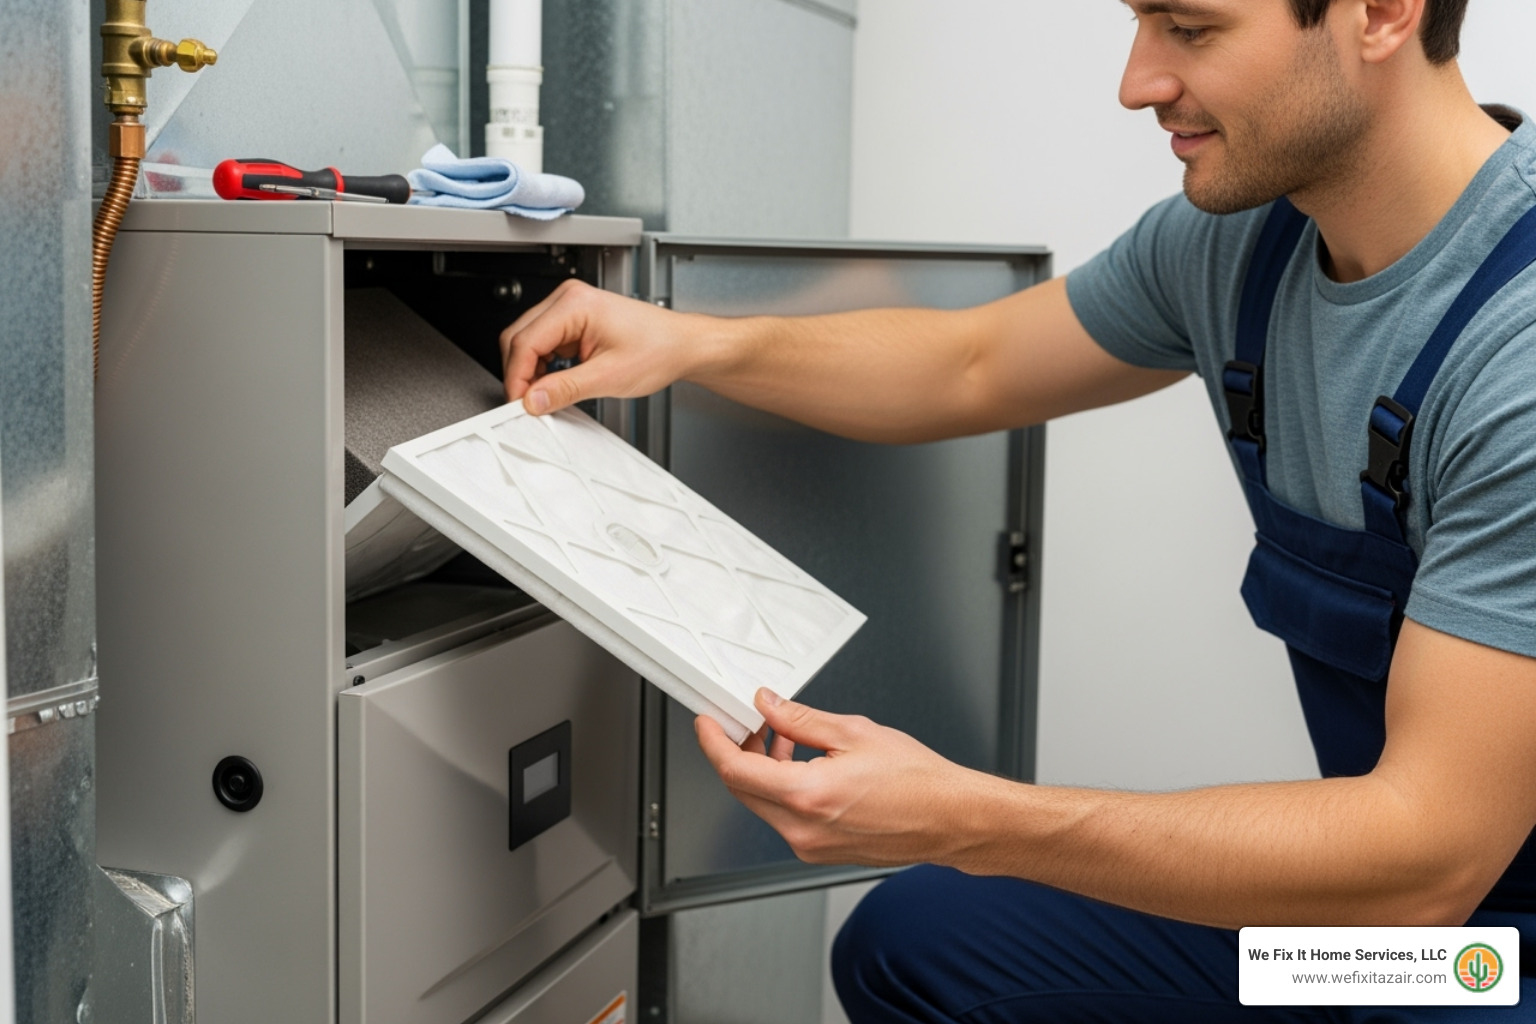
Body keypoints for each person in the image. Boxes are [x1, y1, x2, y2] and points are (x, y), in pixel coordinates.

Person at [499, 0, 1536, 1018]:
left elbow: (1423, 862)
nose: (1138, 81)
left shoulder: (1517, 353)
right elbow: (970, 363)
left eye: (1191, 27)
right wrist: (695, 343)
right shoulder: (1242, 248)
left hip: (1477, 960)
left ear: (1383, 12)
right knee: (922, 945)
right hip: (1376, 945)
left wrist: (965, 815)